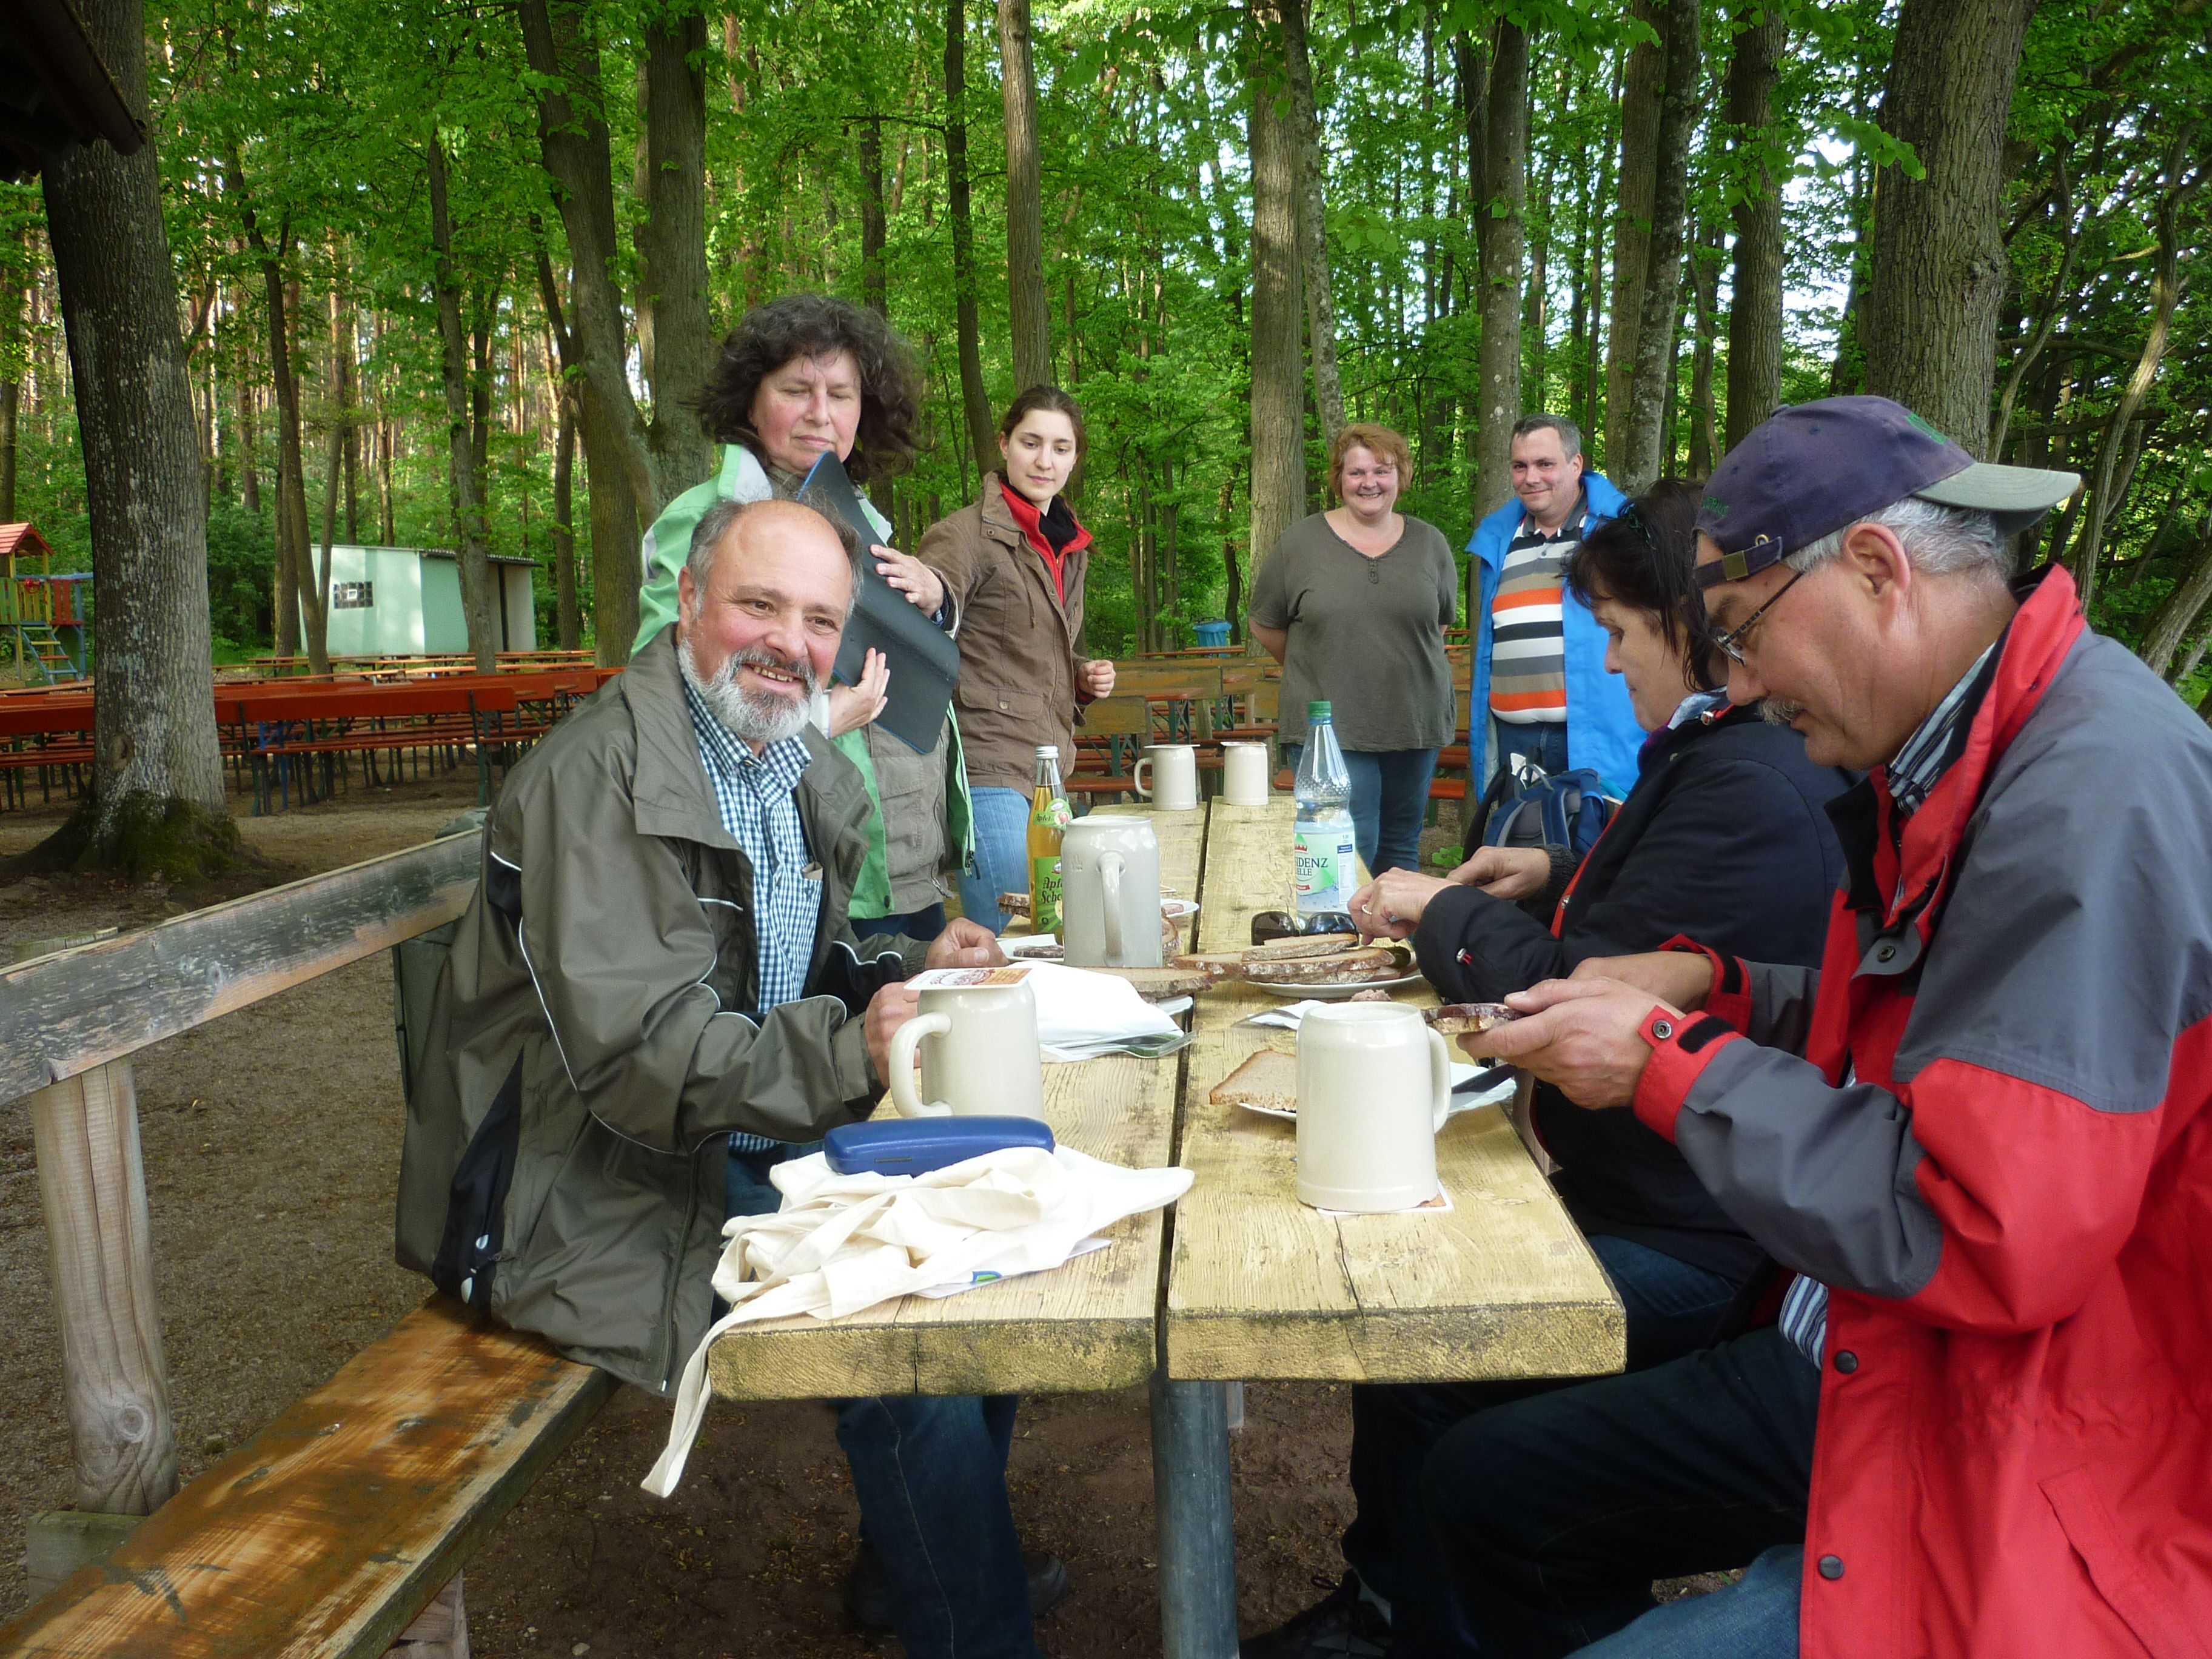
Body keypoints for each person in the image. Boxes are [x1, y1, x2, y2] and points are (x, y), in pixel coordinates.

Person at [1439, 397, 2212, 1659]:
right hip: (1884, 1350)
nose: (1732, 684)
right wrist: (1713, 988)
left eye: (1739, 638)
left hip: (2032, 1455)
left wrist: (1667, 1070)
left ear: (1874, 572)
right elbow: (1951, 1040)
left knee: (1496, 1486)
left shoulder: (2089, 798)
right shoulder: (1970, 744)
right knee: (1490, 1492)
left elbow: (1979, 1221)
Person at [398, 498, 1064, 1659]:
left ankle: (914, 1568)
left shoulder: (775, 746)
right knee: (915, 1353)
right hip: (597, 1188)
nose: (789, 643)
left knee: (982, 1257)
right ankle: (972, 1626)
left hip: (734, 1131)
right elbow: (641, 1061)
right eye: (758, 604)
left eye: (818, 619)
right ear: (691, 601)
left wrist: (905, 966)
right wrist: (848, 1051)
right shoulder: (598, 776)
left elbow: (787, 966)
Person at [1240, 481, 1851, 1659]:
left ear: (1689, 620)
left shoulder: (1754, 784)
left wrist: (1442, 910)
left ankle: (1418, 1615)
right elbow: (1636, 923)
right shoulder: (1720, 762)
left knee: (1428, 1352)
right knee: (1412, 1317)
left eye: (1620, 633)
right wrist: (1555, 866)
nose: (1610, 664)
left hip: (1694, 1237)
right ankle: (1394, 1596)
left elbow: (1576, 989)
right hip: (1659, 1194)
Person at [635, 293, 972, 941]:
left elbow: (897, 667)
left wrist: (938, 603)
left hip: (904, 862)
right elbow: (662, 704)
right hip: (803, 870)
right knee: (841, 1038)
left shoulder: (861, 519)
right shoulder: (706, 520)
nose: (821, 414)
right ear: (751, 402)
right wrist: (822, 719)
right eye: (797, 389)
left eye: (842, 395)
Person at [917, 386, 1116, 931]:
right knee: (1014, 934)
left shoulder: (1068, 546)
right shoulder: (964, 535)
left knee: (1058, 931)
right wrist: (933, 592)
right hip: (985, 765)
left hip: (1049, 770)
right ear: (1004, 445)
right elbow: (933, 601)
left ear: (1075, 458)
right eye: (1031, 443)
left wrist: (1081, 676)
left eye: (1061, 447)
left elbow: (1036, 648)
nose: (1044, 460)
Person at [1250, 422, 1459, 875]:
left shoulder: (1431, 544)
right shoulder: (1299, 544)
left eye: (1382, 471)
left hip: (1414, 720)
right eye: (1356, 472)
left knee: (1402, 848)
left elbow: (1437, 625)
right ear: (1339, 478)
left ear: (1401, 476)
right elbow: (1265, 624)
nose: (1369, 483)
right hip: (1330, 727)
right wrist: (1323, 664)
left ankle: (1390, 945)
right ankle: (1341, 941)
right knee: (1348, 841)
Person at [1467, 415, 1644, 799]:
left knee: (1589, 849)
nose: (1531, 477)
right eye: (1520, 466)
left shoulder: (1618, 531)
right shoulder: (1497, 538)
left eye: (1544, 464)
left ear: (1575, 464)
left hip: (1592, 733)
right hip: (1514, 738)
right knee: (1517, 849)